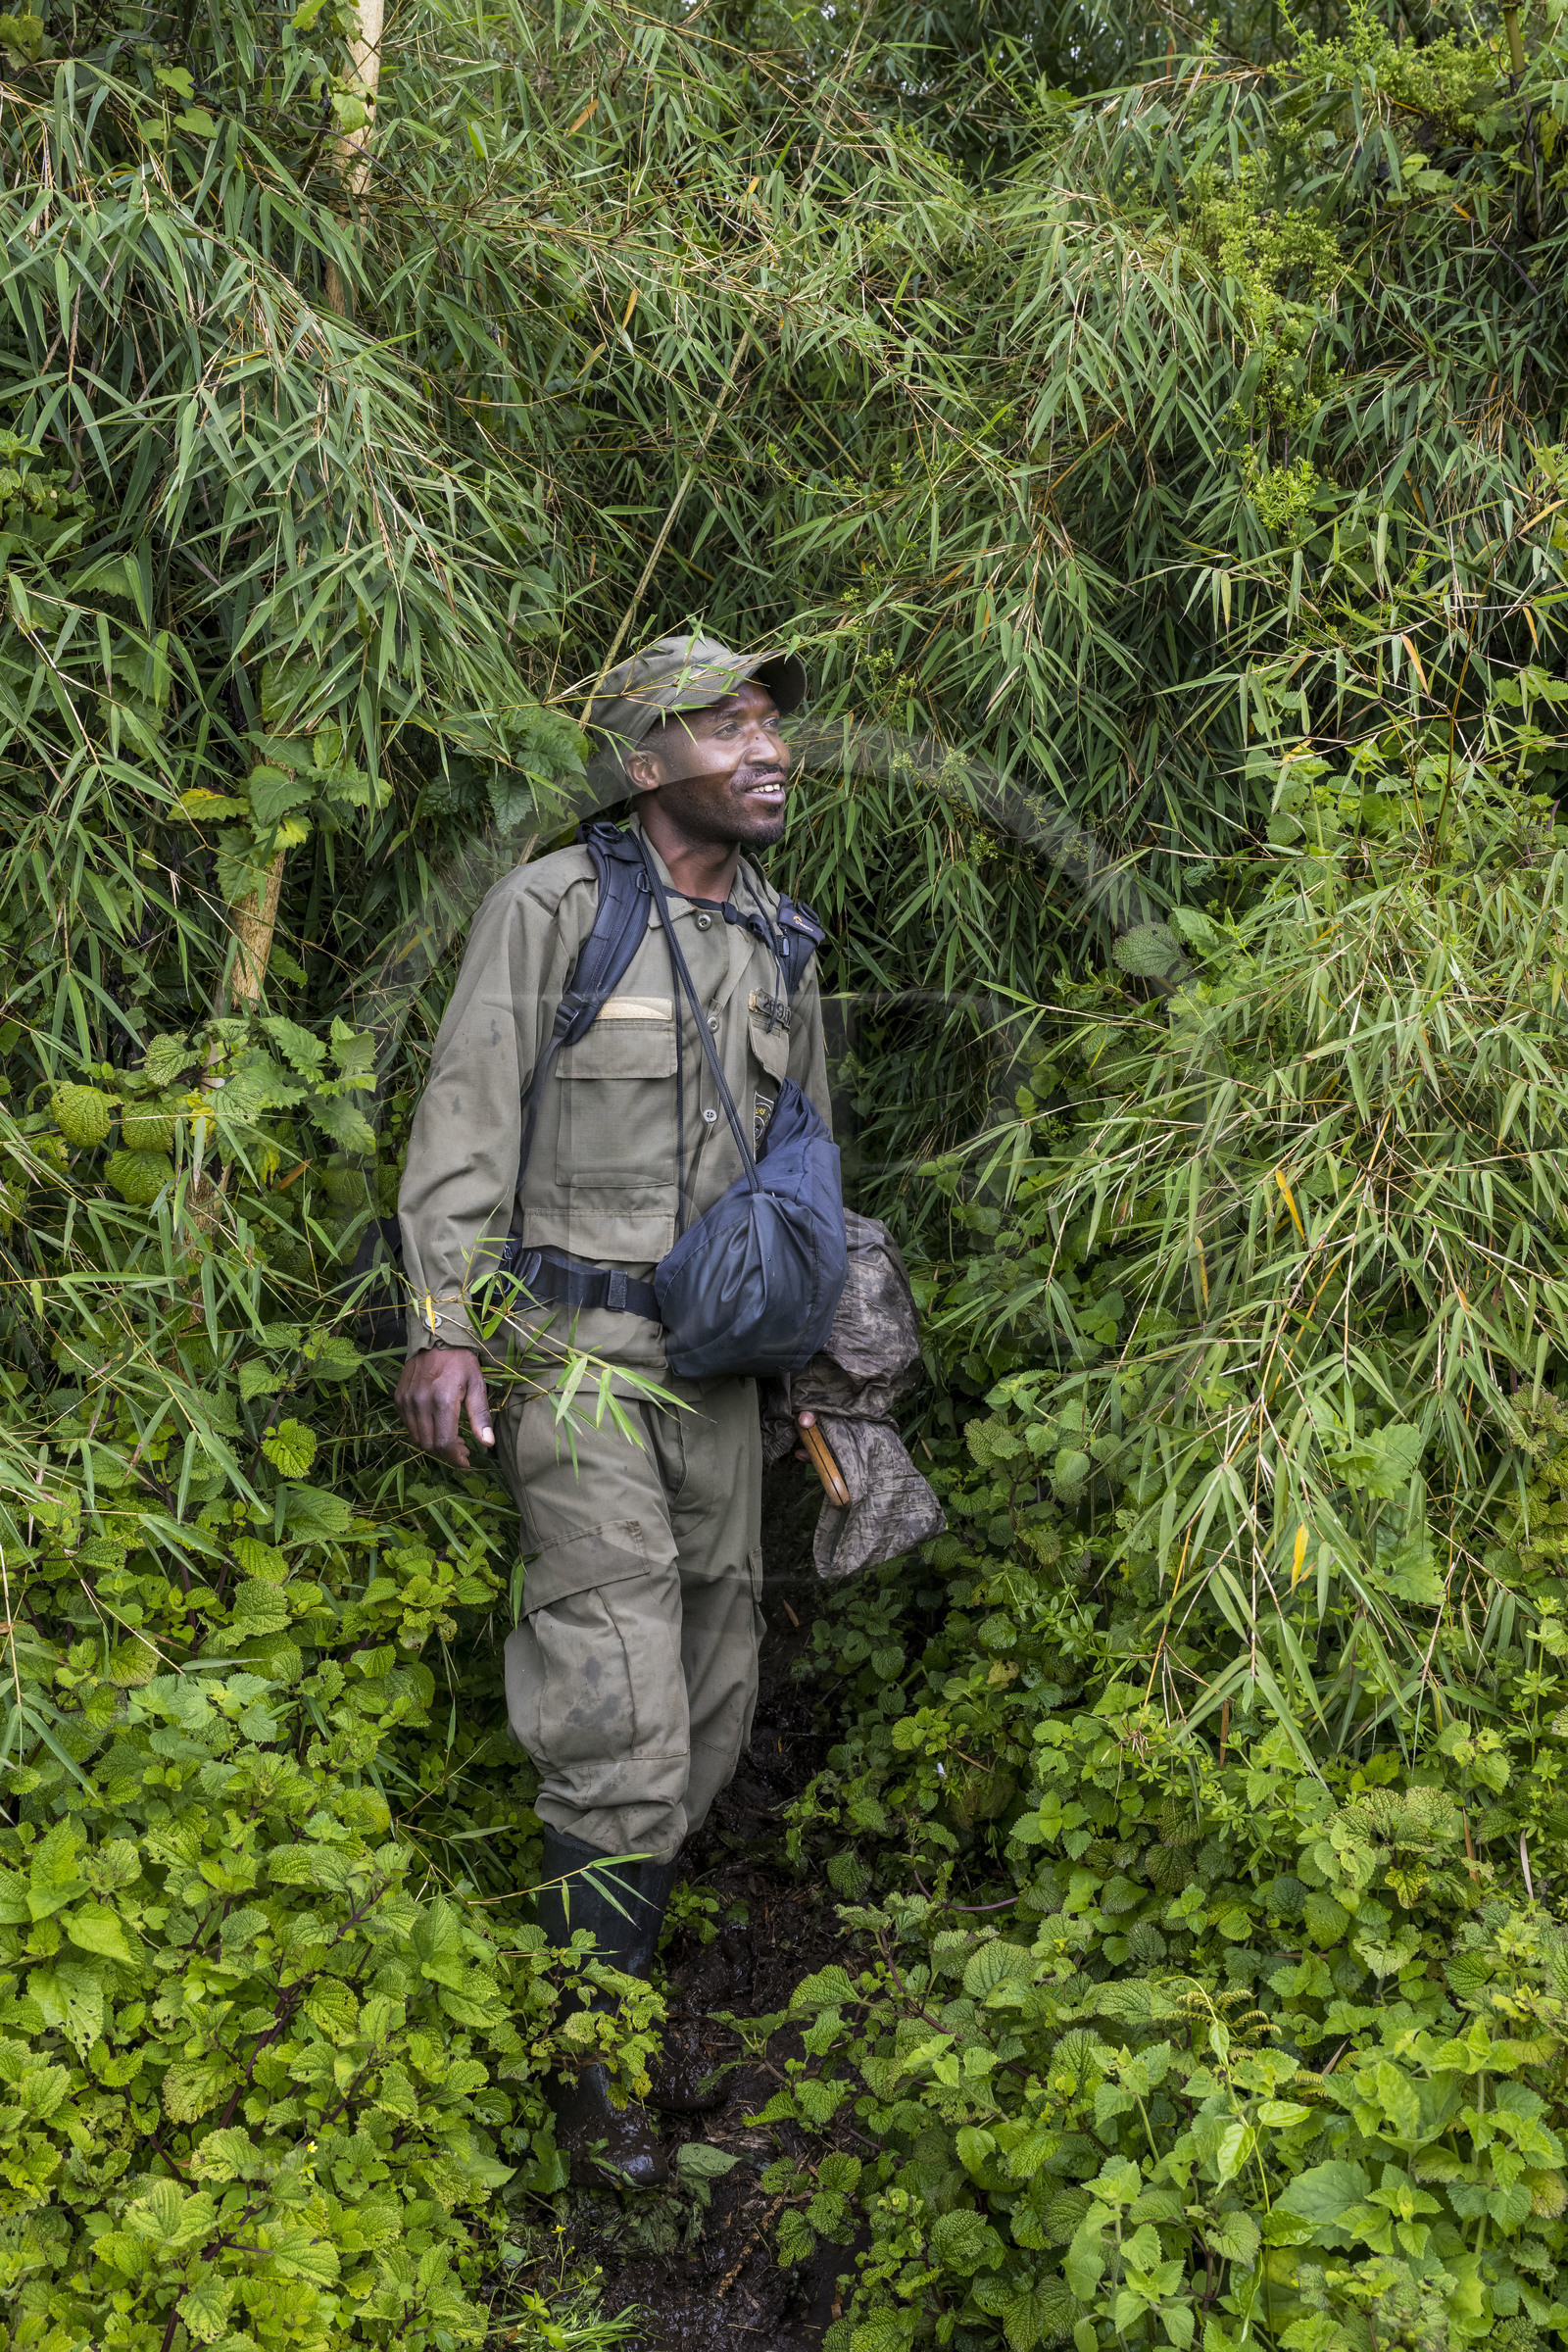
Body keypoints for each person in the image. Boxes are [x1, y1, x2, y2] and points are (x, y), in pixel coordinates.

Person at [395, 635, 832, 2186]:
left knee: (711, 1691)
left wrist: (823, 1370)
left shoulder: (781, 941)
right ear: (645, 765)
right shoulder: (555, 910)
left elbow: (807, 1175)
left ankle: (616, 1996)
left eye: (770, 723)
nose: (766, 749)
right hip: (571, 1363)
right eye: (726, 726)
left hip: (720, 1377)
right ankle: (591, 2081)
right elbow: (463, 1118)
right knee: (620, 1704)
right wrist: (441, 1327)